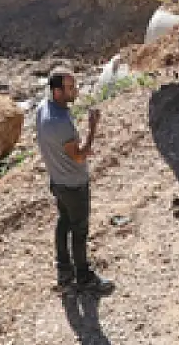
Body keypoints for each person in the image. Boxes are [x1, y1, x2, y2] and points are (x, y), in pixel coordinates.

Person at [34, 67, 117, 295]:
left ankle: (64, 271)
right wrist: (92, 128)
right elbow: (80, 156)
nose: (75, 91)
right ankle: (84, 276)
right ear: (57, 91)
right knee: (79, 231)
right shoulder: (60, 123)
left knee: (63, 223)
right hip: (73, 185)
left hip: (57, 180)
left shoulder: (43, 109)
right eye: (70, 88)